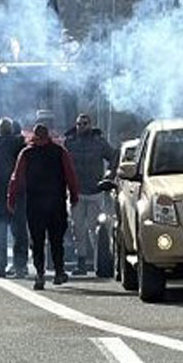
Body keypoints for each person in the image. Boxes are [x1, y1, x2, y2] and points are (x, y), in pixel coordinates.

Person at [8, 124, 80, 290]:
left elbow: (16, 178)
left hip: (34, 203)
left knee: (37, 241)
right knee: (56, 240)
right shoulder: (59, 151)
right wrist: (74, 195)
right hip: (56, 202)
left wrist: (11, 199)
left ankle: (40, 274)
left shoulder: (26, 153)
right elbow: (71, 174)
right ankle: (59, 272)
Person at [63, 113, 117, 275]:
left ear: (90, 125)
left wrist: (109, 175)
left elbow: (114, 156)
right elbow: (61, 163)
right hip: (76, 192)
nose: (82, 126)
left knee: (96, 229)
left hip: (95, 192)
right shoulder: (69, 143)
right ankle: (81, 263)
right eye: (79, 124)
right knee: (77, 229)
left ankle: (99, 263)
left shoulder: (99, 142)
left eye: (85, 123)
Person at [0, 118, 29, 278]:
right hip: (18, 195)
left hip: (1, 196)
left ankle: (0, 266)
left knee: (1, 233)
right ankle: (20, 266)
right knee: (20, 232)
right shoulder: (21, 147)